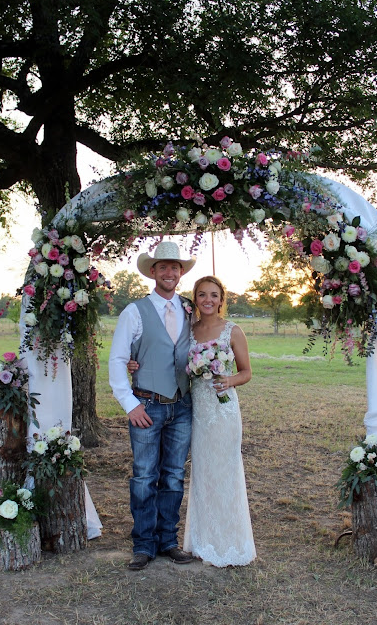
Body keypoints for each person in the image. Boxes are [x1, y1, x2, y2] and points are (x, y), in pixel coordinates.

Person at [108, 241, 196, 571]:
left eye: (175, 267)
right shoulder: (134, 311)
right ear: (153, 272)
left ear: (181, 272)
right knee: (145, 476)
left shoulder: (190, 309)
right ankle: (143, 545)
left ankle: (168, 541)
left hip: (182, 406)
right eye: (163, 267)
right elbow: (118, 359)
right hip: (146, 405)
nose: (170, 272)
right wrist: (129, 404)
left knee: (173, 476)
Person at [183, 276, 256, 567]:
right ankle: (203, 539)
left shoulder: (232, 331)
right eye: (202, 295)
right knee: (203, 473)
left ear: (222, 299)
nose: (208, 300)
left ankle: (231, 542)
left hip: (224, 412)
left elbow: (246, 372)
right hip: (198, 412)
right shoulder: (188, 331)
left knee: (226, 472)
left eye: (214, 295)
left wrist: (229, 380)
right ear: (196, 299)